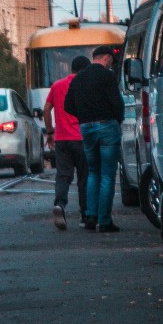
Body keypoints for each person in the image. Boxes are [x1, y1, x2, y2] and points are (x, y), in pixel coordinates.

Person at [64, 45, 126, 233]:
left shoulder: (78, 78)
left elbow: (68, 105)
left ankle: (90, 216)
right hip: (107, 126)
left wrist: (84, 117)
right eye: (110, 61)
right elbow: (117, 102)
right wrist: (117, 119)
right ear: (106, 58)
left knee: (93, 172)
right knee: (107, 174)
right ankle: (105, 220)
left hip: (86, 128)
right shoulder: (108, 76)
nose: (110, 65)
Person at [43, 55, 90, 230]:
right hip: (82, 138)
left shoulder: (57, 85)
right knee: (84, 177)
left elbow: (46, 109)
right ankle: (85, 216)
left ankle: (60, 205)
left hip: (61, 139)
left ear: (72, 69)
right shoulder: (86, 85)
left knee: (63, 175)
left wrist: (50, 132)